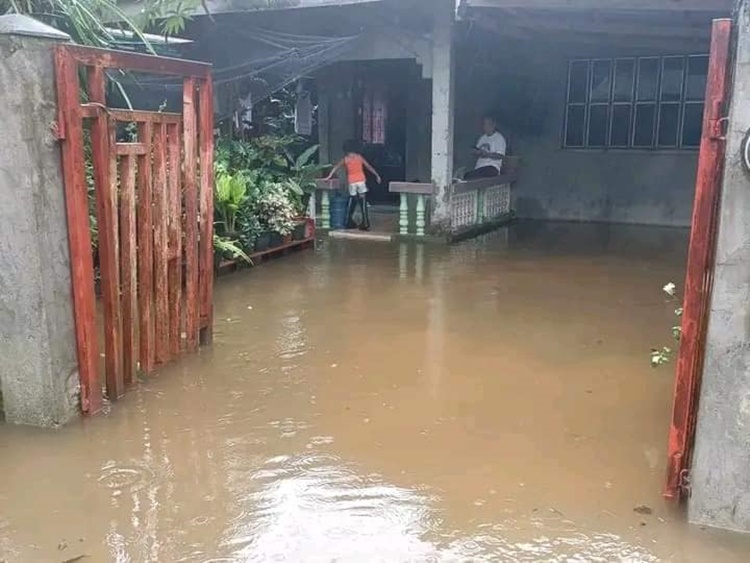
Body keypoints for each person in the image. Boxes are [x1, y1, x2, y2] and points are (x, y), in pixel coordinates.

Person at [325, 140, 382, 231]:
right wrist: (377, 175)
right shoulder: (359, 157)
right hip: (361, 180)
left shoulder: (346, 159)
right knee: (363, 199)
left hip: (352, 182)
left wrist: (329, 177)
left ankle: (348, 221)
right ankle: (365, 223)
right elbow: (368, 166)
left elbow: (336, 167)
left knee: (352, 198)